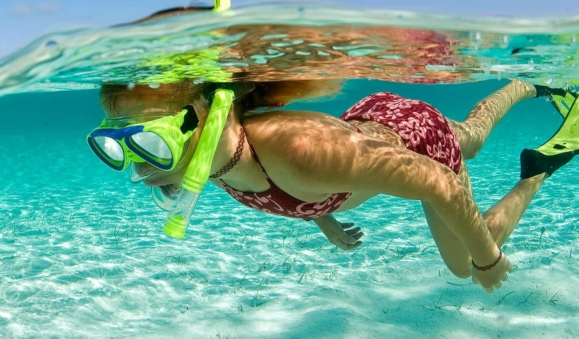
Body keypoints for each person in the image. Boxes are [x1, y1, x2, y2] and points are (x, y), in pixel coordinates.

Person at [91, 78, 577, 293]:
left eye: (149, 139)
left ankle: (536, 170)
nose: (141, 163)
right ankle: (522, 86)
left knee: (464, 266)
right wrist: (322, 217)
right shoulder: (216, 159)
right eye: (118, 143)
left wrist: (489, 259)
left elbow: (439, 183)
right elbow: (282, 180)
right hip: (374, 120)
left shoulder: (298, 151)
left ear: (212, 114)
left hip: (417, 143)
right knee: (470, 137)